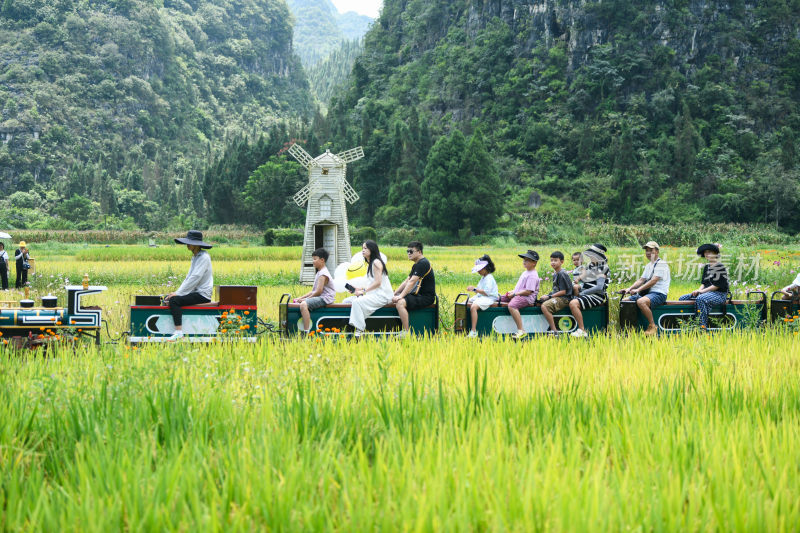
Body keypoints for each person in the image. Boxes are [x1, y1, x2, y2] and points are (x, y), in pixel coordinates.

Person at [163, 230, 213, 341]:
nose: (187, 245)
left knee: (174, 301)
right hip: (194, 292)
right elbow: (188, 278)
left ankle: (178, 332)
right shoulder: (196, 256)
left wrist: (178, 294)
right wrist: (176, 292)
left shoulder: (203, 257)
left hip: (202, 294)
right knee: (169, 297)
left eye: (189, 243)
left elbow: (195, 278)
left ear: (196, 245)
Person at [621, 241, 671, 336]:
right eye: (647, 251)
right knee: (625, 302)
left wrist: (638, 290)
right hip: (648, 294)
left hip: (659, 294)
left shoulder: (661, 264)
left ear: (657, 251)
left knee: (641, 302)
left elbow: (653, 281)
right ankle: (629, 328)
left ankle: (652, 325)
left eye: (651, 250)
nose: (648, 253)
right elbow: (641, 280)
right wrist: (629, 288)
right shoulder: (649, 265)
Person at [348, 240, 393, 337]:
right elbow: (371, 283)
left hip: (382, 296)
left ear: (372, 249)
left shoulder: (376, 262)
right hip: (374, 294)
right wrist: (358, 289)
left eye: (365, 248)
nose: (363, 250)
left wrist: (363, 291)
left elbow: (378, 282)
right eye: (362, 248)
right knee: (347, 301)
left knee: (356, 302)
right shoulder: (371, 263)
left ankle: (359, 331)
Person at [678, 243, 729, 329]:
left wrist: (701, 292)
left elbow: (716, 286)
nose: (707, 254)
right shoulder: (707, 267)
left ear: (715, 253)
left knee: (701, 299)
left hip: (719, 294)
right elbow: (704, 283)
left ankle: (702, 327)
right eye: (705, 252)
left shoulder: (720, 267)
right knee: (682, 298)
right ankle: (688, 324)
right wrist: (698, 291)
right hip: (707, 292)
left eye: (709, 252)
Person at [392, 241, 436, 337]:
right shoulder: (417, 264)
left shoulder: (423, 263)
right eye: (407, 251)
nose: (408, 253)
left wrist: (400, 296)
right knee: (396, 298)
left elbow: (412, 282)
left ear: (419, 252)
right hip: (418, 295)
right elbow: (407, 281)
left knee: (400, 303)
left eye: (411, 251)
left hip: (426, 297)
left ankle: (406, 332)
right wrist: (396, 292)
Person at [568, 244, 609, 337]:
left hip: (596, 295)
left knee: (573, 303)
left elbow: (599, 287)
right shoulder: (590, 265)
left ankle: (582, 329)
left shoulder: (602, 268)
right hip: (587, 291)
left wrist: (583, 293)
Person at [498, 250, 541, 340]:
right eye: (524, 260)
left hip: (527, 298)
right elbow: (520, 288)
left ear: (534, 263)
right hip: (519, 295)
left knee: (512, 305)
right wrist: (512, 292)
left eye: (527, 260)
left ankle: (521, 330)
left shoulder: (532, 275)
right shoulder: (525, 272)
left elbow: (528, 291)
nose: (524, 262)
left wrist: (514, 294)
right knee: (499, 298)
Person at [294, 248, 335, 333]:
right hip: (321, 297)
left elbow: (318, 292)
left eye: (315, 259)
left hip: (325, 298)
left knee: (303, 305)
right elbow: (313, 291)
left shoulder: (323, 274)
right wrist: (300, 298)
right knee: (302, 302)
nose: (313, 261)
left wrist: (305, 300)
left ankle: (306, 331)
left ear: (322, 260)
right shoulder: (319, 273)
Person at [465, 254, 499, 338]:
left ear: (486, 268)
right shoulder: (483, 277)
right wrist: (475, 290)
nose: (478, 271)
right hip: (482, 297)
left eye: (480, 269)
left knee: (473, 307)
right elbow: (479, 291)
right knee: (464, 303)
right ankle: (464, 327)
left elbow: (486, 292)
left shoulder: (489, 278)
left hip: (489, 298)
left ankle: (473, 331)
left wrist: (474, 289)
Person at [539, 251, 573, 334]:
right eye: (551, 260)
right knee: (539, 301)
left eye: (555, 260)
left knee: (545, 306)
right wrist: (548, 295)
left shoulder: (562, 274)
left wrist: (549, 297)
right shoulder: (556, 273)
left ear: (561, 262)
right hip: (558, 297)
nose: (553, 262)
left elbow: (563, 291)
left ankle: (554, 331)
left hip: (564, 298)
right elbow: (556, 290)